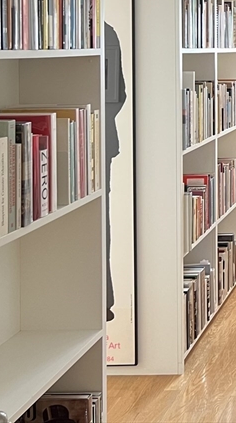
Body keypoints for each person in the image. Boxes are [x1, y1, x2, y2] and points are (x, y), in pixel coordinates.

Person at [104, 21, 126, 322]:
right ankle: (104, 301)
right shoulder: (106, 31)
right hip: (102, 140)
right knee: (100, 222)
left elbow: (116, 94)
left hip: (99, 142)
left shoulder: (106, 33)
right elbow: (118, 95)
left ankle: (104, 301)